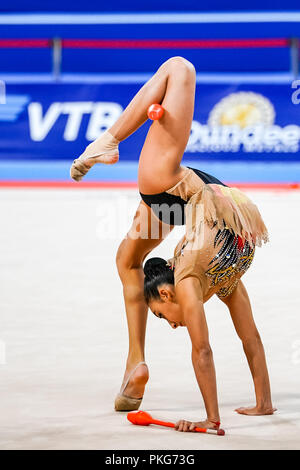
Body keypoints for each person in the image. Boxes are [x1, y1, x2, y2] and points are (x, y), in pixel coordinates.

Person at [70, 57, 275, 431]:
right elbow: (247, 339)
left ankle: (107, 141)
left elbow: (204, 350)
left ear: (166, 295)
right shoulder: (217, 281)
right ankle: (135, 363)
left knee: (180, 67)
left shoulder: (192, 281)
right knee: (127, 257)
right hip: (197, 202)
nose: (171, 324)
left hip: (186, 196)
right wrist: (261, 405)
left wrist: (210, 421)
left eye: (162, 317)